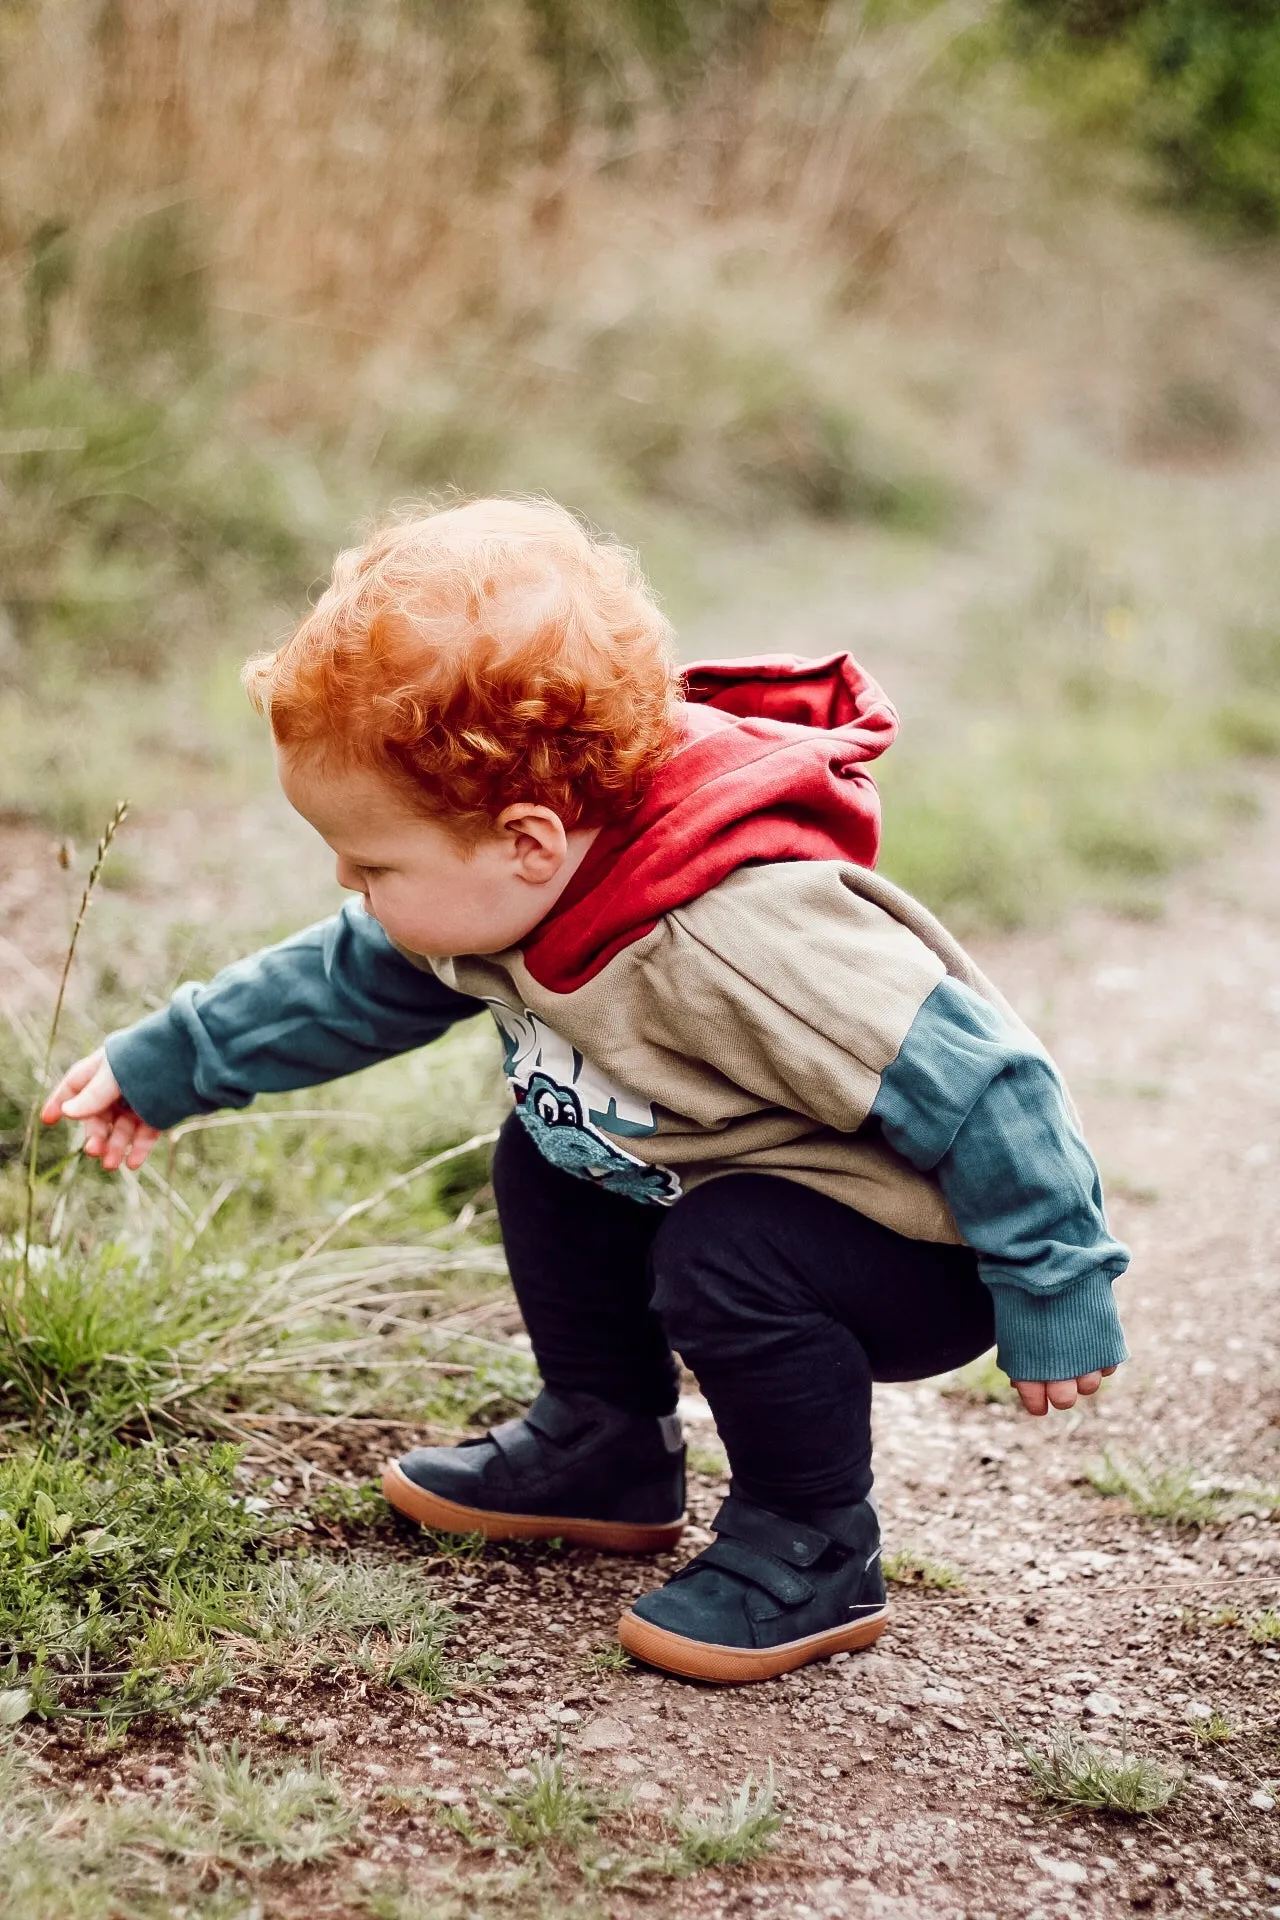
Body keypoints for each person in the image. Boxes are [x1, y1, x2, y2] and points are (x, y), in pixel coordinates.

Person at [41, 497, 1128, 1686]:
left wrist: (1052, 1278)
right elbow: (348, 980)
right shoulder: (505, 888)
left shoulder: (742, 934)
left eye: (371, 862)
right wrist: (167, 1061)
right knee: (552, 1150)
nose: (350, 886)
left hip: (915, 1247)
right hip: (716, 1171)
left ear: (526, 839)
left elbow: (986, 1084)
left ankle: (813, 1540)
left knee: (726, 1247)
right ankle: (607, 1444)